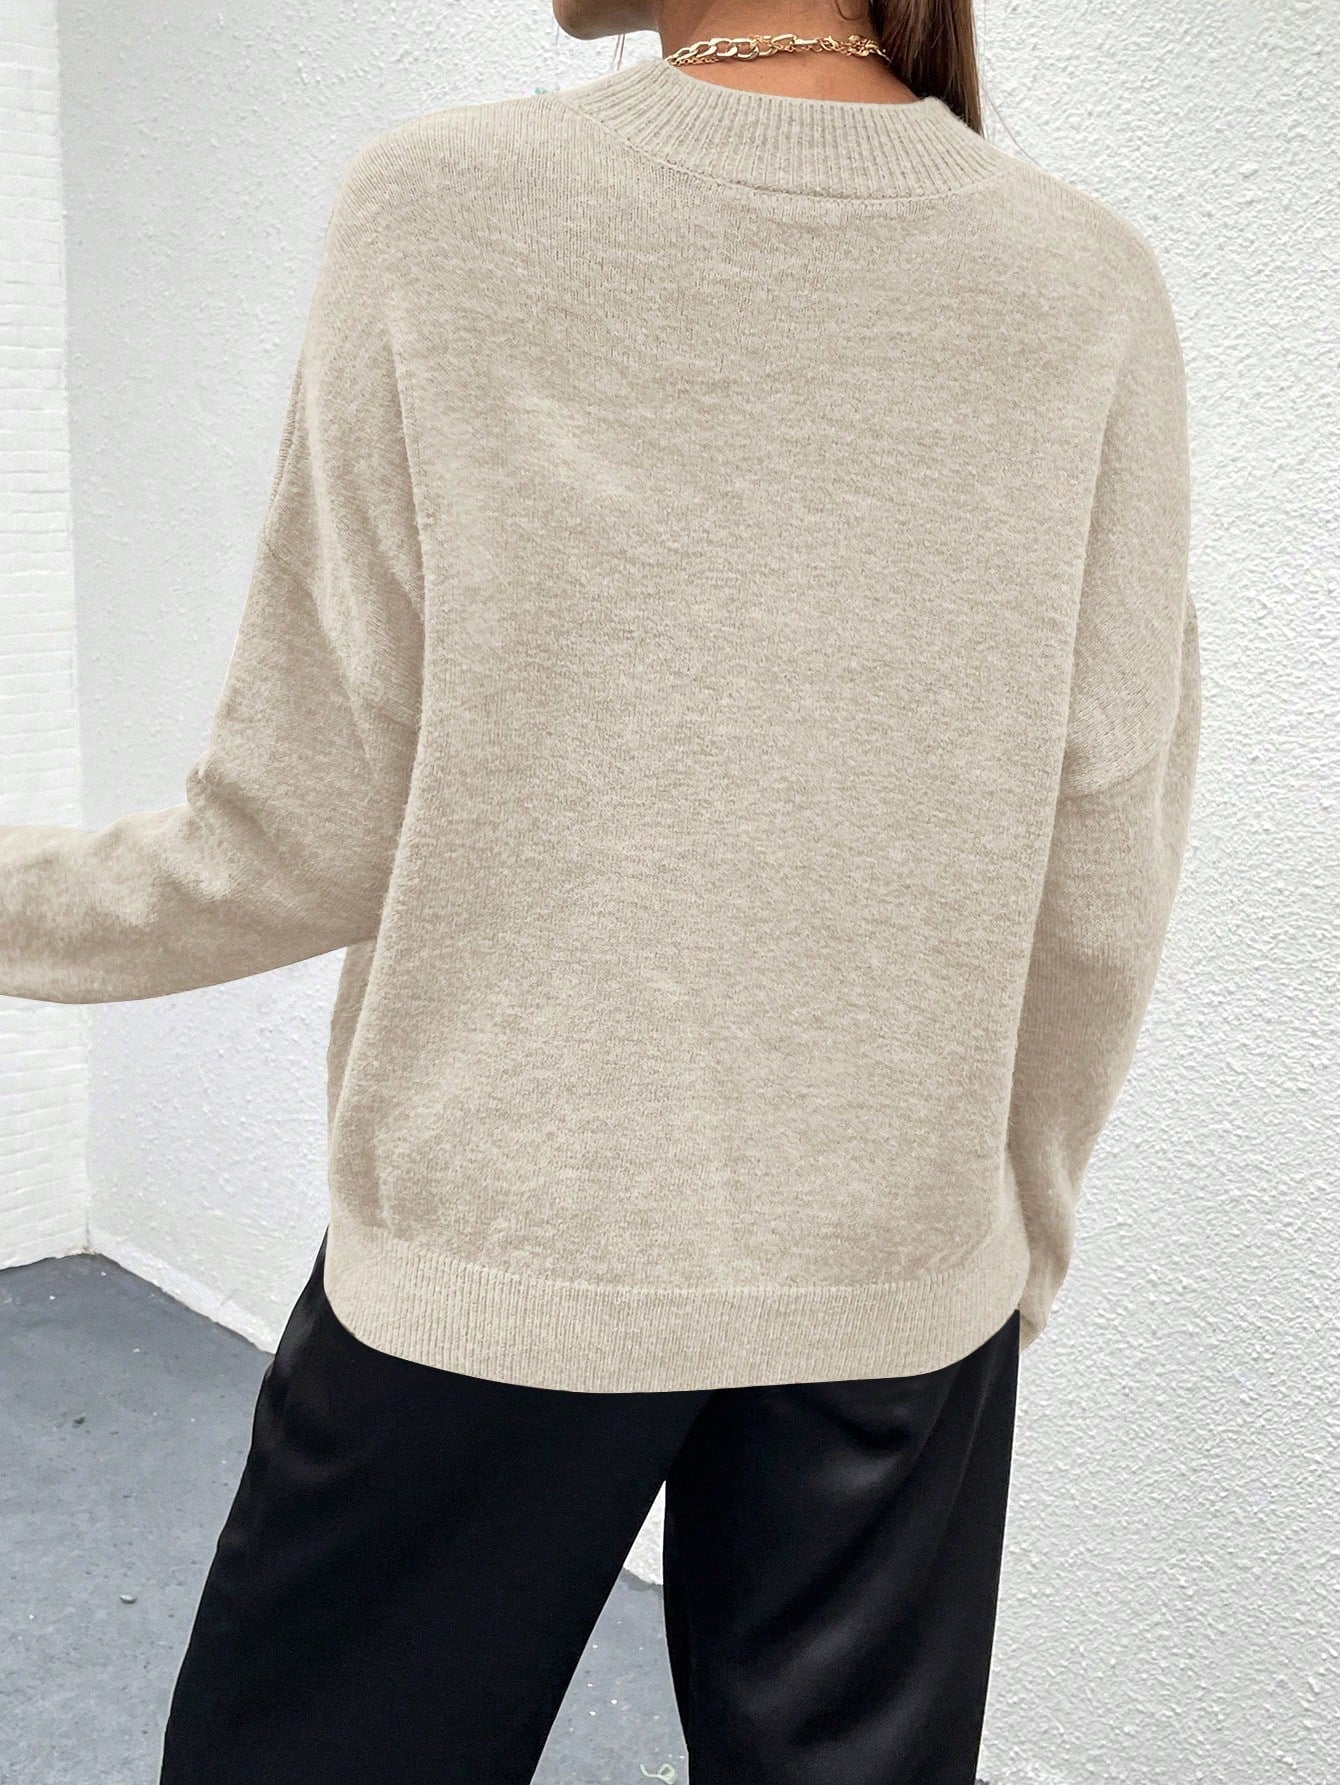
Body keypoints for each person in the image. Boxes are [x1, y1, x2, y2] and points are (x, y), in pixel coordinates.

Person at [0, 0, 1201, 1778]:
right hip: (899, 1285)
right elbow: (1102, 857)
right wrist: (1001, 1229)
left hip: (499, 1253)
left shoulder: (444, 211)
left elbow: (291, 835)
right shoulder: (1083, 284)